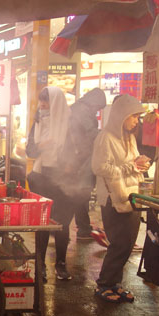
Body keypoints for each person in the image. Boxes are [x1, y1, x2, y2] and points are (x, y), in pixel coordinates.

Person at [91, 94, 149, 303]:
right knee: (119, 243)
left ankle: (115, 283)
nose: (136, 121)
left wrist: (141, 164)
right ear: (121, 115)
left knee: (128, 242)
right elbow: (98, 167)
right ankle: (104, 284)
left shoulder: (129, 137)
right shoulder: (105, 137)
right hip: (112, 199)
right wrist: (129, 167)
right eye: (133, 116)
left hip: (130, 196)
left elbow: (132, 162)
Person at [26, 86, 76, 281]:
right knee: (43, 222)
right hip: (42, 177)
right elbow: (30, 150)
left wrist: (69, 167)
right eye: (41, 101)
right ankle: (40, 265)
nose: (42, 106)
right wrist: (41, 146)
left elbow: (78, 152)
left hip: (64, 180)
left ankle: (61, 264)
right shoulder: (38, 123)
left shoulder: (70, 124)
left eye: (46, 102)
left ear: (56, 103)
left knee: (62, 223)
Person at [68, 88, 107, 239]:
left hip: (78, 157)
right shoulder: (82, 110)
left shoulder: (80, 107)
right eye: (98, 107)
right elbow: (90, 133)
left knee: (80, 192)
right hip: (81, 158)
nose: (97, 110)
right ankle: (83, 228)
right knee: (82, 192)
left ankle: (81, 226)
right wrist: (105, 135)